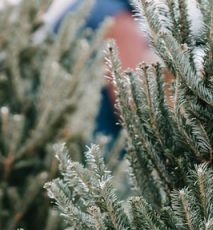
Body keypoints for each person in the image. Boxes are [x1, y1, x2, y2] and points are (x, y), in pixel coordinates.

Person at [54, 0, 153, 138]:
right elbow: (138, 105)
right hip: (105, 150)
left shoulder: (75, 12)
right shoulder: (117, 18)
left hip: (65, 145)